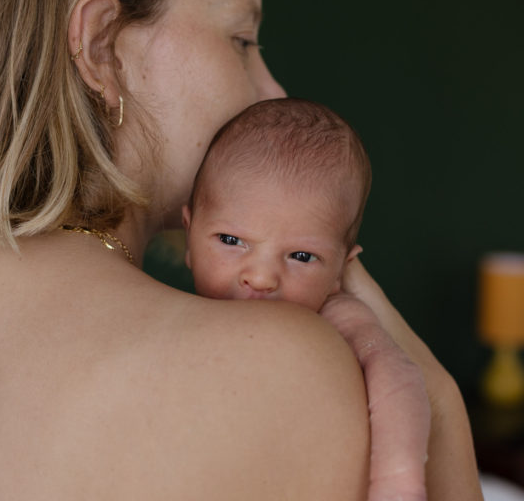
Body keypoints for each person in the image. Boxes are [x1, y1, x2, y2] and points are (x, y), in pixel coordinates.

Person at [0, 0, 483, 499]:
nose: (272, 91)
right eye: (242, 40)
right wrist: (440, 403)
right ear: (102, 44)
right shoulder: (282, 362)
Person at [182, 97, 431, 500]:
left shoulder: (341, 319)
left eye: (301, 256)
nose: (261, 277)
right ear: (189, 235)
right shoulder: (169, 314)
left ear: (340, 270)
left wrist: (397, 486)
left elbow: (399, 382)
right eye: (231, 240)